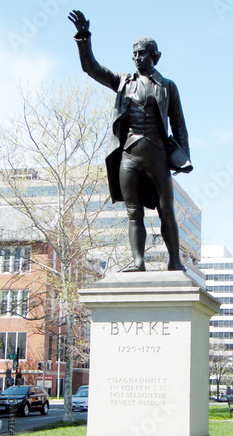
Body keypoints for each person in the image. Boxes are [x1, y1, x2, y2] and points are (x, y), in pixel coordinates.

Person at [68, 10, 192, 271]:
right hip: (129, 155)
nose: (137, 58)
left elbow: (180, 126)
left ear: (154, 56)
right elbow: (91, 68)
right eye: (134, 53)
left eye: (142, 53)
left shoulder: (167, 86)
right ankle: (138, 262)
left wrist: (184, 158)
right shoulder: (123, 81)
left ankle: (175, 261)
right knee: (133, 212)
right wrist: (84, 37)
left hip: (157, 154)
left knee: (166, 210)